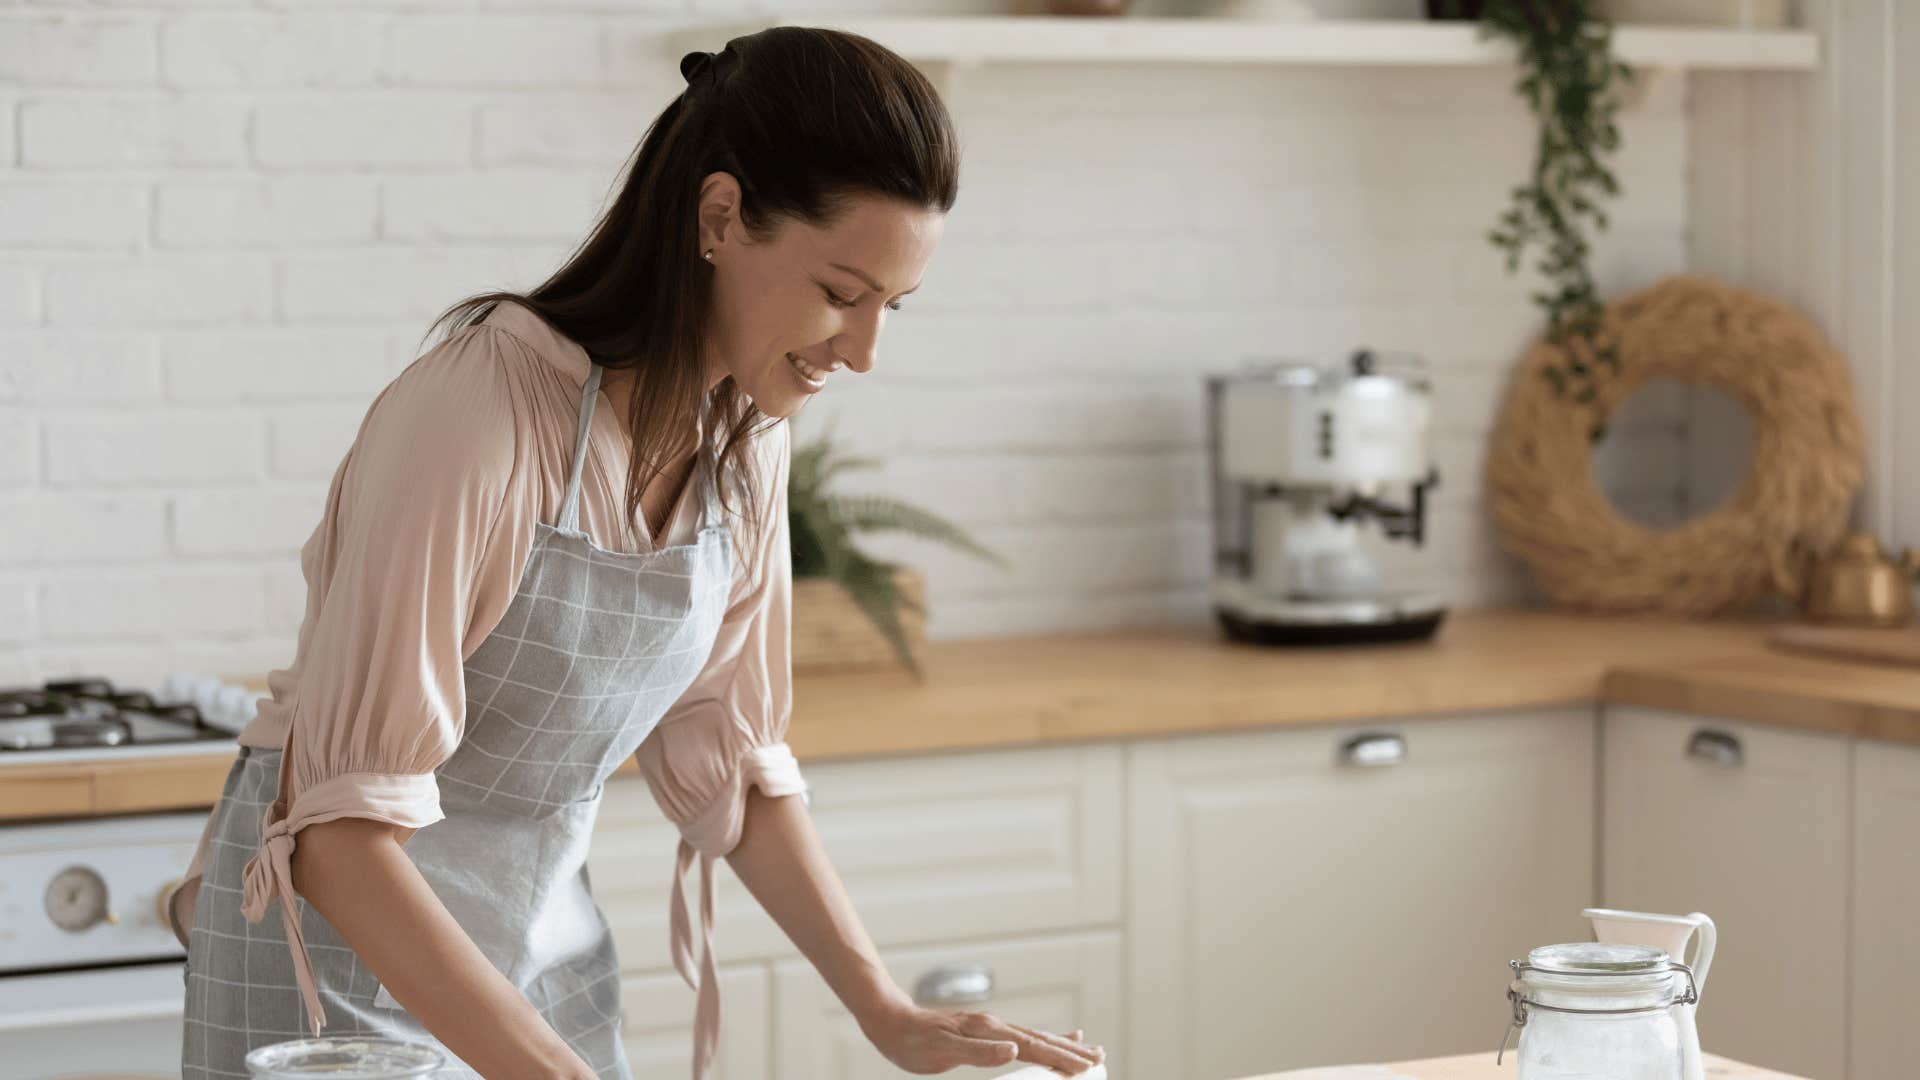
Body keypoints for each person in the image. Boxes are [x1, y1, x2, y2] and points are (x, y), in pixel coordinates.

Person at [164, 26, 1105, 1080]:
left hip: (536, 941)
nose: (864, 350)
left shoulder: (745, 443)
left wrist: (885, 1012)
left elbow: (733, 767)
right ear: (719, 217)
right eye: (841, 293)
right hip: (333, 964)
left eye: (893, 305)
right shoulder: (482, 414)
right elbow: (339, 834)